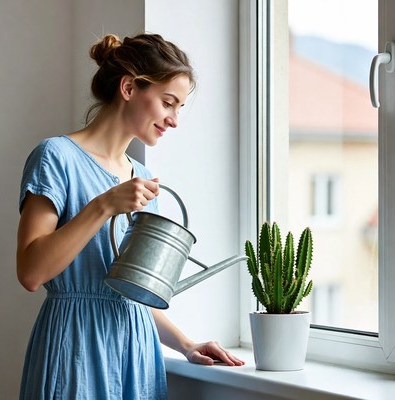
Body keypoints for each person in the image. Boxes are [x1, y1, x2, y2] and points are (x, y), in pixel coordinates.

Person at [16, 33, 244, 400]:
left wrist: (186, 344)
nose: (173, 120)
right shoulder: (55, 157)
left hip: (137, 353)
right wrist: (103, 205)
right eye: (168, 103)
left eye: (179, 108)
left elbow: (131, 291)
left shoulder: (139, 177)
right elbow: (30, 272)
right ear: (128, 87)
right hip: (75, 345)